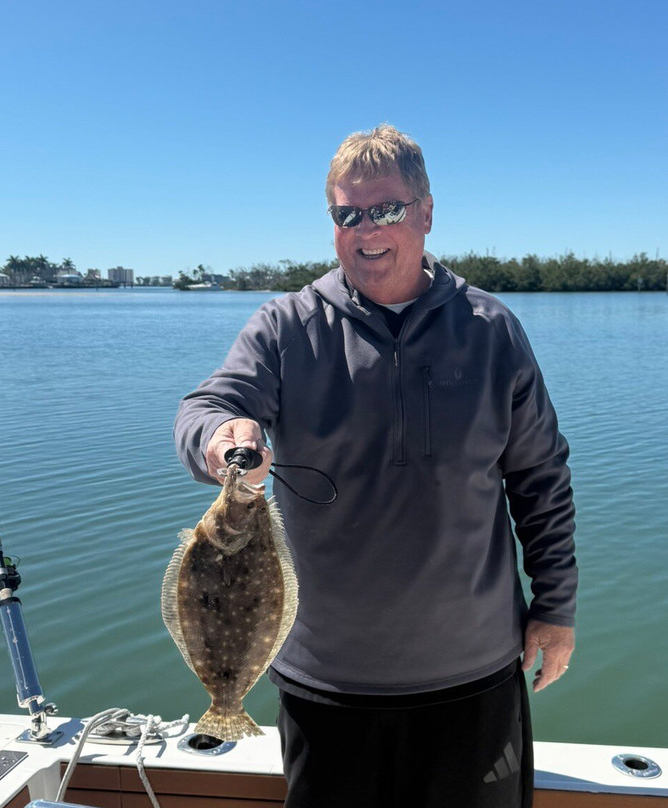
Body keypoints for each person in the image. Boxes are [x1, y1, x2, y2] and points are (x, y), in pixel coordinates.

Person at [174, 124, 577, 808]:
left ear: (425, 212)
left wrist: (556, 606)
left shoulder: (491, 331)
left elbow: (541, 478)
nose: (366, 229)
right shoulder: (285, 327)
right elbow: (208, 405)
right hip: (324, 684)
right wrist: (220, 439)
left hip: (473, 676)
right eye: (347, 214)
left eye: (385, 209)